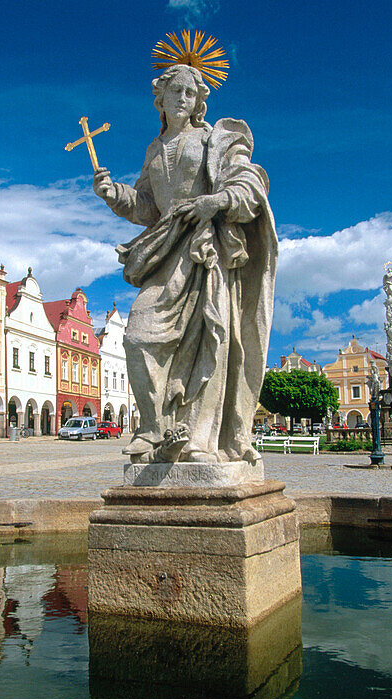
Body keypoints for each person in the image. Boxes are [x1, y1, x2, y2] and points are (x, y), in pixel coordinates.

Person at [93, 62, 276, 464]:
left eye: (190, 94)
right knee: (137, 335)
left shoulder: (215, 140)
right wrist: (112, 194)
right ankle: (153, 428)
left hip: (204, 251)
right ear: (160, 98)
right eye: (175, 91)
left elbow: (248, 186)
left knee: (210, 340)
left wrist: (216, 202)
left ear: (199, 103)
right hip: (164, 252)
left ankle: (198, 441)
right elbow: (147, 206)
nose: (182, 99)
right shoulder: (154, 149)